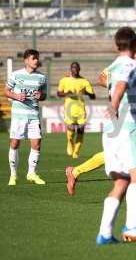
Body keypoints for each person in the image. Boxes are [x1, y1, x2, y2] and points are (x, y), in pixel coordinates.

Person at [65, 36, 136, 197]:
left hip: (132, 110)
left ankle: (76, 171)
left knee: (116, 153)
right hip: (122, 110)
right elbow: (101, 78)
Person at [96, 27, 136, 245]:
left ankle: (104, 232)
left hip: (112, 130)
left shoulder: (114, 65)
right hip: (126, 128)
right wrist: (113, 106)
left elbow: (127, 96)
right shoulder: (130, 64)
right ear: (134, 44)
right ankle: (132, 227)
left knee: (122, 182)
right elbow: (121, 85)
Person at [5, 49, 47, 186]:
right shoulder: (15, 75)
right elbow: (6, 91)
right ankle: (13, 175)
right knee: (15, 143)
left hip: (33, 115)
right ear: (26, 60)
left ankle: (31, 173)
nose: (36, 60)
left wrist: (40, 96)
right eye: (33, 58)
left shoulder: (42, 77)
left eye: (37, 58)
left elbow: (44, 95)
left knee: (36, 143)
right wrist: (17, 96)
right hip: (18, 116)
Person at [57, 62, 95, 158]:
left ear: (79, 69)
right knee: (71, 129)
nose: (75, 70)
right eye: (73, 68)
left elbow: (93, 96)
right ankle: (70, 143)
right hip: (69, 110)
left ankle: (76, 152)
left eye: (77, 68)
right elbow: (59, 93)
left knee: (81, 130)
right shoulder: (64, 80)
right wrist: (66, 93)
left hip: (81, 110)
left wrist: (86, 92)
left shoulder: (84, 81)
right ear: (70, 69)